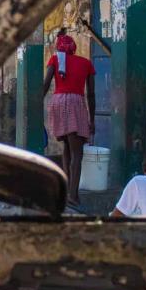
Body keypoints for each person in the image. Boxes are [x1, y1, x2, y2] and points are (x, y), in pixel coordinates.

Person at [42, 30, 95, 207]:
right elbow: (92, 94)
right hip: (75, 103)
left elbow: (46, 84)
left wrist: (36, 104)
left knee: (66, 147)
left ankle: (66, 192)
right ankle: (73, 195)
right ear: (73, 48)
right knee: (77, 153)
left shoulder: (55, 60)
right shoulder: (86, 63)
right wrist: (92, 119)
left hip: (57, 103)